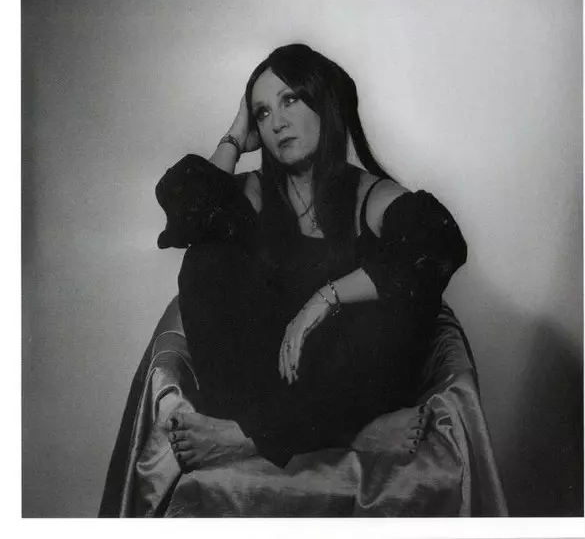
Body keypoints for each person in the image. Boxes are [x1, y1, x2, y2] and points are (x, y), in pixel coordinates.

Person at [155, 43, 468, 470]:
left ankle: (250, 439)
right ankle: (352, 435)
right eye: (262, 113)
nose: (277, 122)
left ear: (324, 103)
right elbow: (186, 212)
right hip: (266, 385)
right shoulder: (253, 192)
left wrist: (325, 298)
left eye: (290, 100)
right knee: (205, 257)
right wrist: (234, 136)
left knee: (401, 295)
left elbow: (440, 243)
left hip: (342, 384)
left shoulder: (369, 196)